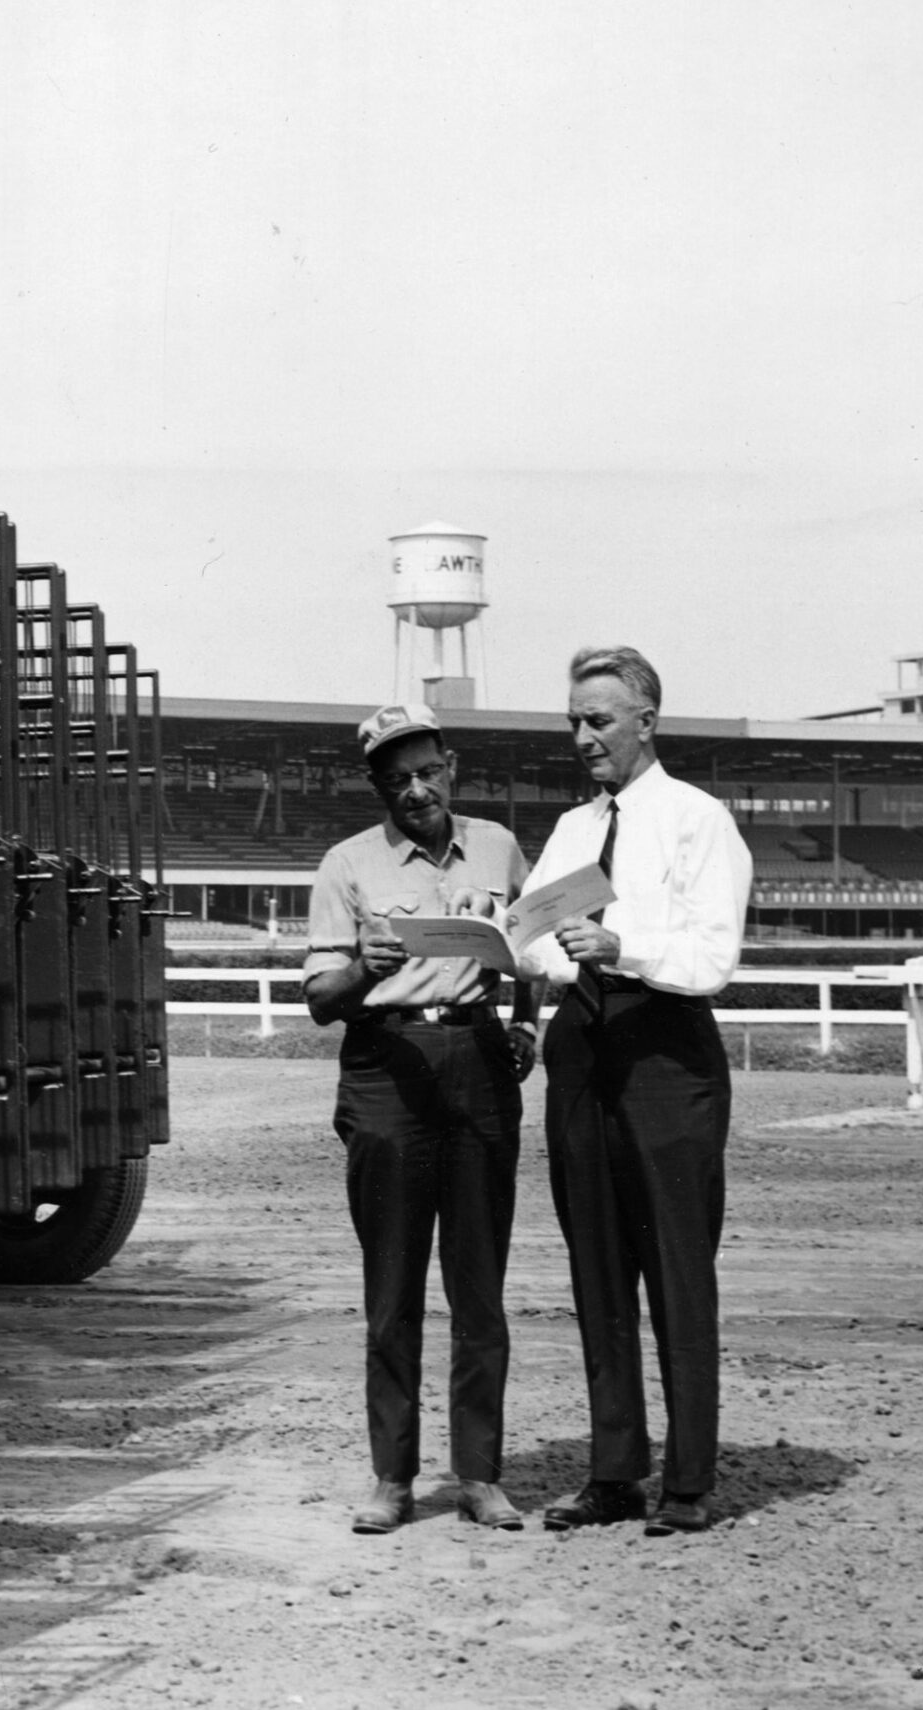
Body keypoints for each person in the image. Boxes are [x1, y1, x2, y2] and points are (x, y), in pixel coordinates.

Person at [513, 646, 751, 1537]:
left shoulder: (698, 819)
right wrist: (526, 949)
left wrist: (623, 945)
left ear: (647, 720)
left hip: (666, 1056)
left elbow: (713, 956)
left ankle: (687, 1482)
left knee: (679, 1272)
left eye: (600, 719)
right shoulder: (574, 830)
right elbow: (534, 937)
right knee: (597, 1269)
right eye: (574, 720)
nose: (583, 736)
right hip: (580, 1049)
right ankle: (615, 1472)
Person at [303, 703, 542, 1535]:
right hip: (387, 1065)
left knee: (480, 1288)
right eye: (397, 778)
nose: (417, 789)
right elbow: (318, 1002)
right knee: (393, 1289)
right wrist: (362, 972)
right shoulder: (347, 864)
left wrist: (525, 1019)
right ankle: (392, 1477)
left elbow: (532, 944)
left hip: (477, 1064)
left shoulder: (500, 847)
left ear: (452, 768)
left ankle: (479, 1473)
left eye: (428, 771)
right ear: (377, 786)